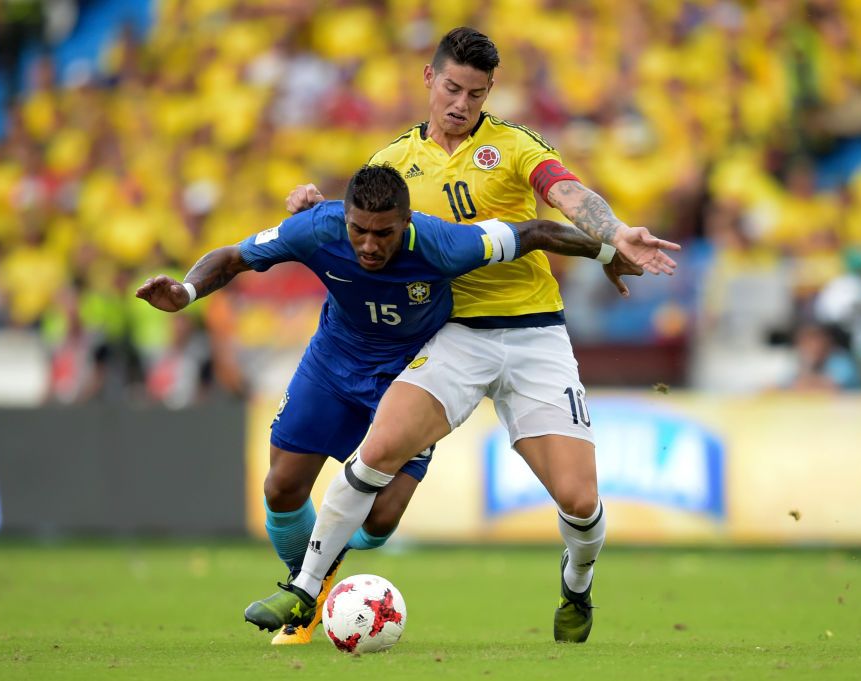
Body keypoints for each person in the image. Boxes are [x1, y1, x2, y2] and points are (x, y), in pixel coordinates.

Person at [249, 27, 681, 644]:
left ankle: (577, 585)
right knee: (374, 453)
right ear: (430, 78)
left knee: (580, 502)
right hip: (454, 335)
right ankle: (304, 589)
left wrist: (612, 235)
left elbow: (565, 193)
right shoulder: (391, 162)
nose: (461, 104)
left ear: (490, 91)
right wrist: (314, 207)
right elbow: (357, 221)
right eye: (452, 88)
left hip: (535, 334)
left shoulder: (513, 145)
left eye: (476, 94)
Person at [137, 164, 665, 639]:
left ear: (406, 223)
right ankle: (306, 588)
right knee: (281, 486)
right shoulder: (318, 227)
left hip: (409, 365)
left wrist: (610, 251)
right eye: (358, 230)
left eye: (383, 233)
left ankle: (317, 581)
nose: (369, 246)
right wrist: (186, 292)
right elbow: (234, 256)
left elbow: (537, 232)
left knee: (380, 522)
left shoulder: (442, 244)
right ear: (344, 218)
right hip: (334, 362)